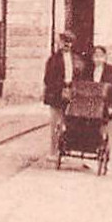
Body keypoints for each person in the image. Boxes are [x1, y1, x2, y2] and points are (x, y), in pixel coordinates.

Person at [44, 31, 79, 160]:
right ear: (60, 42)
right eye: (64, 42)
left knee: (69, 123)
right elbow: (47, 79)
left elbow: (80, 76)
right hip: (56, 94)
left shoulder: (76, 59)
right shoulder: (53, 59)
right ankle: (53, 152)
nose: (66, 45)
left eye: (69, 42)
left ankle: (65, 151)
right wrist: (61, 86)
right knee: (55, 124)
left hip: (72, 93)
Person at [88, 45, 112, 144]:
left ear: (105, 57)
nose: (98, 58)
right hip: (92, 104)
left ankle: (104, 145)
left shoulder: (110, 70)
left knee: (106, 128)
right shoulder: (89, 69)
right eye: (96, 55)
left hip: (106, 104)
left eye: (100, 55)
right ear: (92, 57)